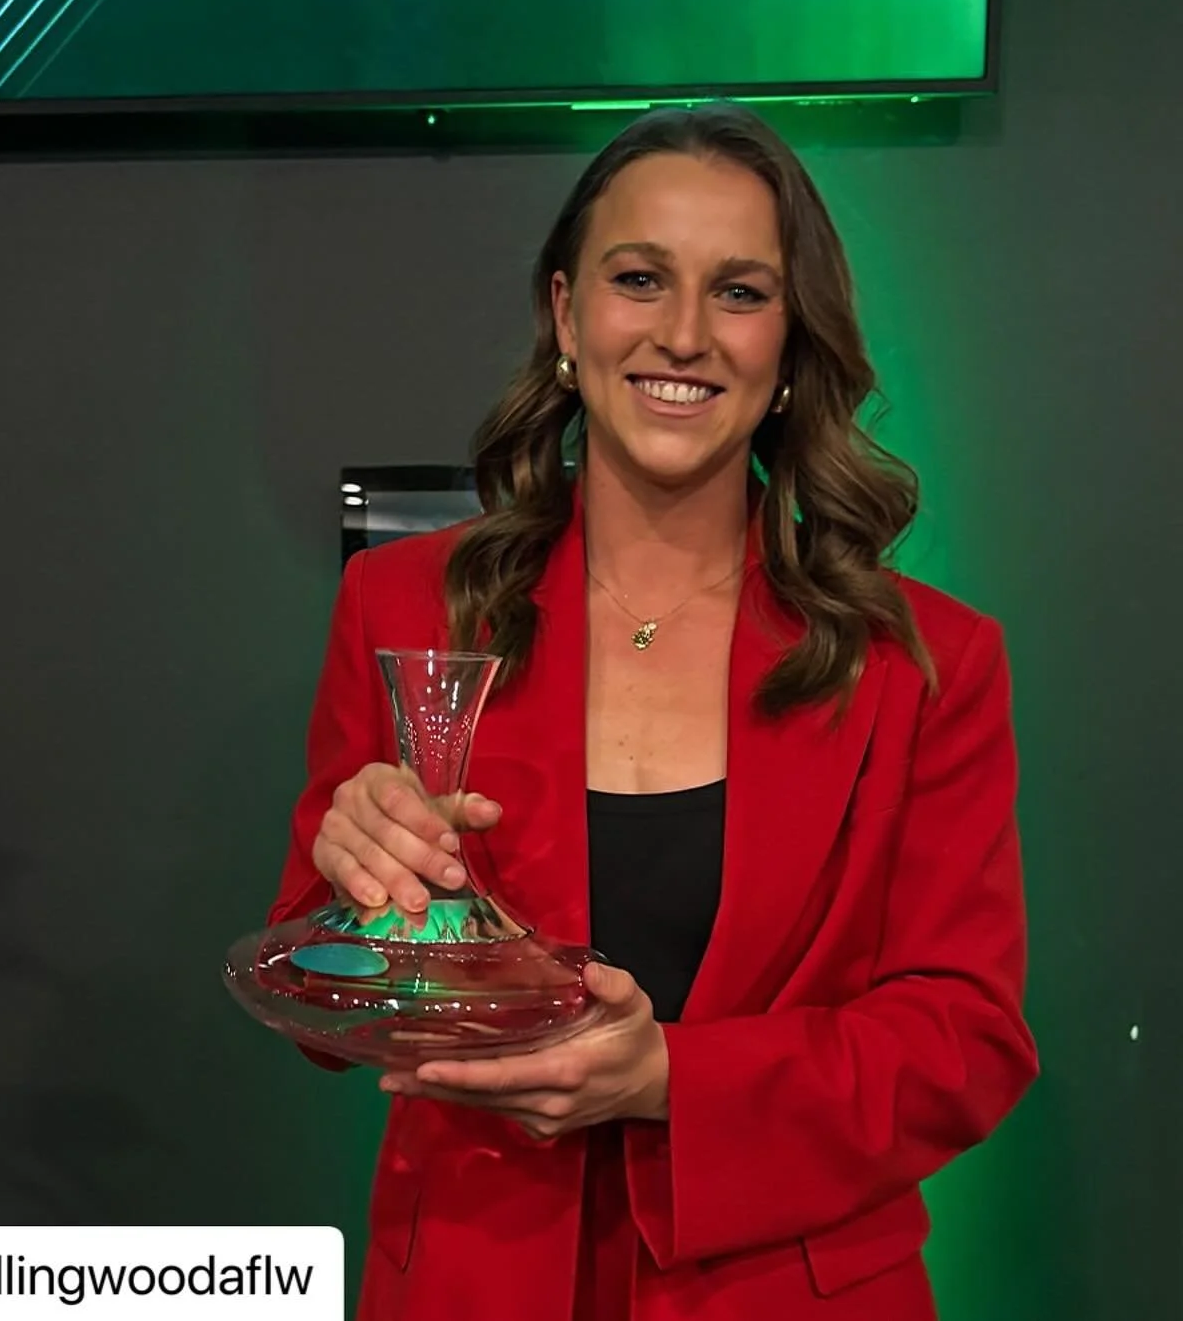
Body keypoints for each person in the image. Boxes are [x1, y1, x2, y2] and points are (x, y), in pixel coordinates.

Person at [267, 104, 1038, 1321]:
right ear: (567, 315)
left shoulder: (927, 661)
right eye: (639, 278)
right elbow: (320, 1004)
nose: (683, 333)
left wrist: (673, 1077)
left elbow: (965, 1038)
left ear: (791, 346)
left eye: (740, 292)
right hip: (472, 1278)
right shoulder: (404, 601)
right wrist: (351, 882)